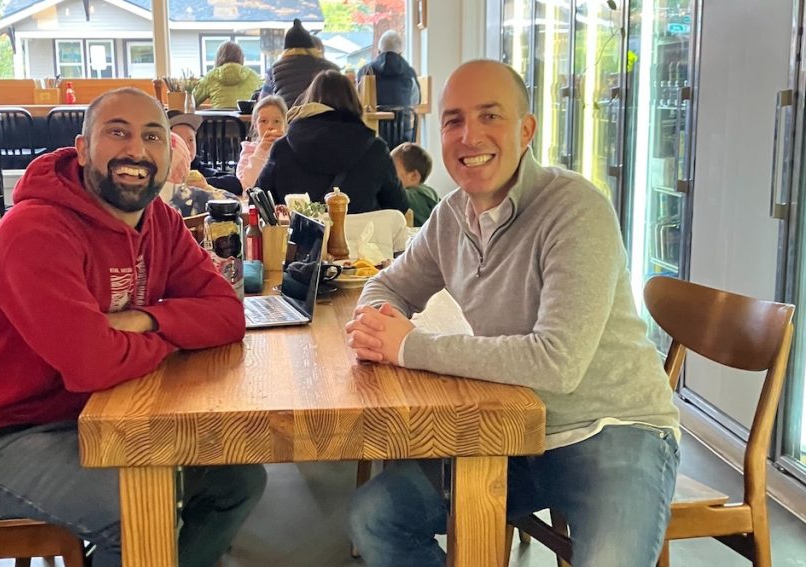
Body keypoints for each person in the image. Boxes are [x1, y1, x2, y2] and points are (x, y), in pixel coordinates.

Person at [345, 60, 680, 566]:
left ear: (526, 130)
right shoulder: (451, 216)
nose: (469, 136)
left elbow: (556, 362)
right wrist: (378, 324)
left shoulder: (575, 208)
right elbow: (388, 284)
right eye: (454, 121)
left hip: (613, 429)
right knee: (375, 516)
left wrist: (409, 346)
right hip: (511, 432)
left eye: (490, 116)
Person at [0, 87, 266, 567]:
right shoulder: (35, 231)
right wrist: (172, 337)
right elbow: (93, 365)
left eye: (152, 136)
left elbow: (228, 314)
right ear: (83, 148)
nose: (136, 150)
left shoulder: (160, 221)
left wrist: (145, 320)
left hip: (94, 417)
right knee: (136, 508)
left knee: (239, 481)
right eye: (117, 132)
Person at [255, 70, 407, 215]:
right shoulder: (375, 149)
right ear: (354, 102)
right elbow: (399, 206)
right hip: (362, 233)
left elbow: (258, 202)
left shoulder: (283, 147)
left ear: (310, 101)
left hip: (298, 234)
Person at [358, 30, 420, 144]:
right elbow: (415, 101)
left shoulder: (365, 72)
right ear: (400, 53)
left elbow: (358, 103)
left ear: (378, 52)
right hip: (403, 139)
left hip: (373, 137)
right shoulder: (410, 73)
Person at [261, 19, 339, 107]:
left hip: (288, 114)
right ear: (311, 47)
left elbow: (264, 100)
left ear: (286, 48)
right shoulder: (329, 68)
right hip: (321, 114)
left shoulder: (274, 70)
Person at [168, 110, 244, 195]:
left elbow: (235, 183)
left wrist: (203, 183)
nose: (187, 146)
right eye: (180, 140)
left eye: (191, 140)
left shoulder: (197, 167)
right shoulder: (162, 173)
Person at [236, 94, 287, 190]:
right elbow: (245, 186)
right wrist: (262, 150)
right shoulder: (249, 151)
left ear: (285, 124)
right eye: (263, 121)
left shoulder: (291, 149)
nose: (270, 126)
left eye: (277, 121)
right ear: (255, 126)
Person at [194, 41, 264, 109]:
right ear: (241, 57)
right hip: (247, 117)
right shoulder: (253, 76)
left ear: (218, 58)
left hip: (219, 117)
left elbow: (192, 101)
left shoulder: (210, 77)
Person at [390, 142, 439, 227]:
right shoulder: (430, 192)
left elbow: (392, 195)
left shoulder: (414, 196)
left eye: (392, 170)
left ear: (414, 176)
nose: (387, 175)